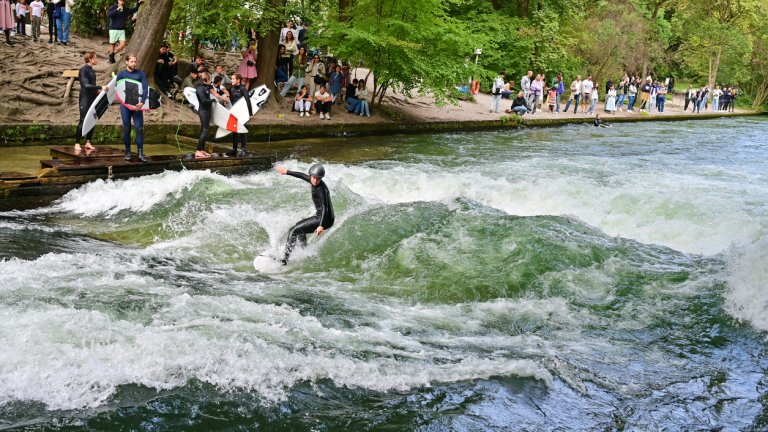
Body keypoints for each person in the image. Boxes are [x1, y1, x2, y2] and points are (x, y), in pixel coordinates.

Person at [275, 163, 335, 265]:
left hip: (324, 219)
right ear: (311, 175)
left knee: (293, 231)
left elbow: (326, 208)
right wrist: (286, 172)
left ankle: (284, 260)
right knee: (299, 227)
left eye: (318, 179)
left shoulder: (321, 189)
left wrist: (321, 225)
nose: (315, 181)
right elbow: (302, 175)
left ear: (321, 178)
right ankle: (304, 250)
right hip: (323, 217)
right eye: (314, 178)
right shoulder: (312, 180)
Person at [116, 54, 148, 162]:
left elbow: (145, 88)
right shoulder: (121, 74)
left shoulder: (141, 74)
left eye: (135, 62)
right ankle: (128, 152)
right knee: (126, 129)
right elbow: (118, 90)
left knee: (139, 129)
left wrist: (142, 102)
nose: (134, 64)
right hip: (125, 106)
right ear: (126, 62)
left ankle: (140, 153)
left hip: (137, 106)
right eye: (132, 61)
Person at [74, 51, 107, 153]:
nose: (97, 60)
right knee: (83, 120)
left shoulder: (92, 70)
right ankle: (77, 143)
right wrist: (100, 87)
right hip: (85, 99)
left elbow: (92, 85)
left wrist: (97, 92)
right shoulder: (83, 70)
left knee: (92, 120)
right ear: (90, 59)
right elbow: (86, 85)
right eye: (95, 58)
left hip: (93, 98)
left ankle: (88, 142)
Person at [194, 71, 228, 159]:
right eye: (211, 79)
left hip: (208, 110)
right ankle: (198, 151)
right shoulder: (200, 88)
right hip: (203, 111)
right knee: (205, 131)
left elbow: (215, 93)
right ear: (207, 79)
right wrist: (213, 100)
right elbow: (204, 101)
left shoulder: (208, 86)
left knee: (204, 130)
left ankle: (202, 150)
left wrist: (222, 98)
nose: (212, 81)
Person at [228, 73, 251, 156]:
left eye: (233, 79)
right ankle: (234, 149)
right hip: (235, 112)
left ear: (238, 80)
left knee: (242, 130)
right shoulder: (232, 89)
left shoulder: (242, 88)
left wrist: (250, 113)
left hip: (243, 112)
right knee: (234, 131)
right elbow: (231, 101)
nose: (232, 80)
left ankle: (244, 148)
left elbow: (248, 100)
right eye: (231, 79)